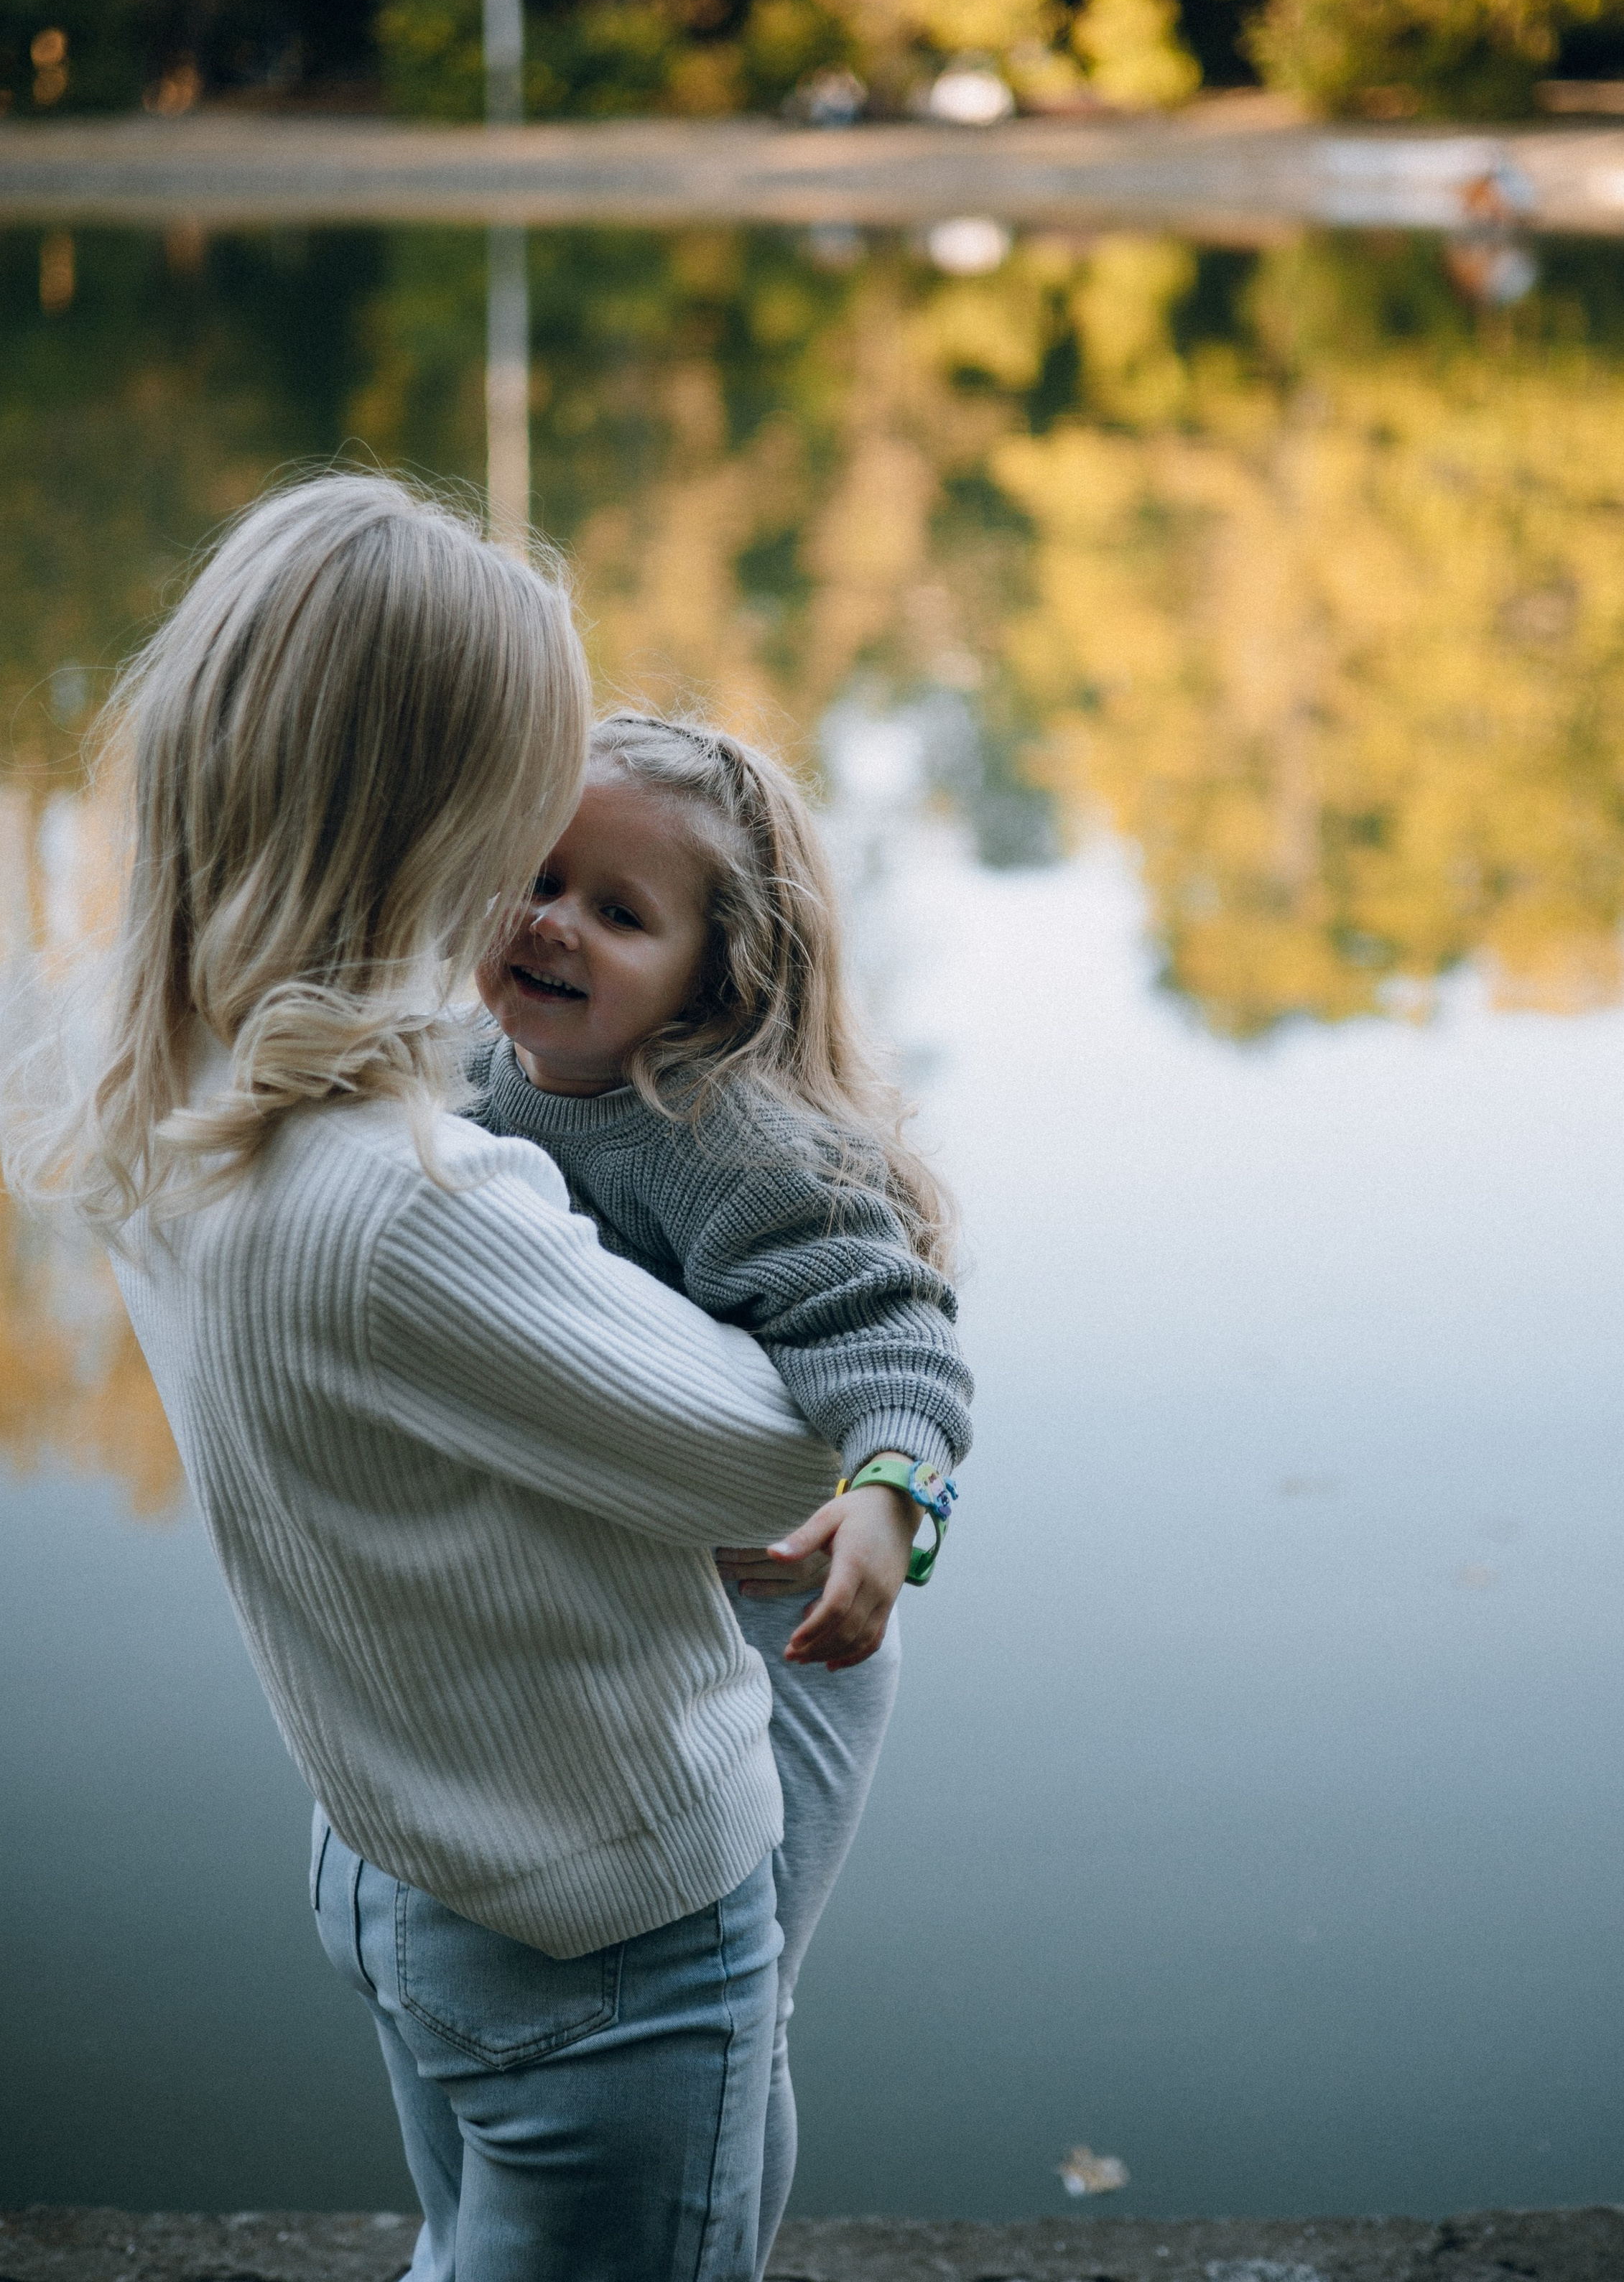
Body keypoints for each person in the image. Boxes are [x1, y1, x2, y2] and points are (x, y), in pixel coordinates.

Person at [14, 474, 853, 2282]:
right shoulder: (406, 1206)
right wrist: (751, 1197)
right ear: (441, 816)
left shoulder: (158, 1069)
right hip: (599, 1935)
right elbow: (782, 1456)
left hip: (406, 1843)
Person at [468, 712, 973, 2268]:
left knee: (730, 1996)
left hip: (786, 1631)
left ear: (712, 975)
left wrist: (891, 1498)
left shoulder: (717, 1132)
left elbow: (881, 1322)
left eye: (618, 913)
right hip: (624, 1610)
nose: (553, 922)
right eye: (536, 877)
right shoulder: (466, 1068)